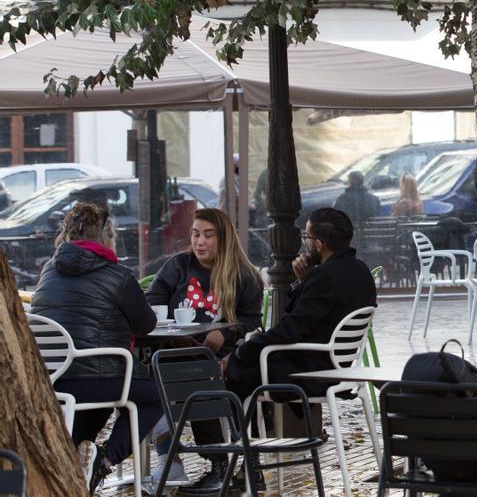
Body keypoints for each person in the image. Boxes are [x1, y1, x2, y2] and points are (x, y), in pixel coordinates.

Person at [181, 208, 377, 494]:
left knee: (226, 372)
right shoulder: (359, 271)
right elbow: (306, 318)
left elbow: (290, 329)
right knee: (241, 370)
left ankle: (240, 465)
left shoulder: (327, 277)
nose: (304, 242)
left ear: (319, 244)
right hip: (336, 364)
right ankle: (249, 462)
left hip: (313, 369)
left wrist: (239, 353)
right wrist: (305, 279)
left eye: (306, 236)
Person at [29, 203, 161, 493]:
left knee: (100, 399)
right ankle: (104, 459)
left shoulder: (49, 269)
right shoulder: (119, 275)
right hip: (100, 376)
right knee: (153, 395)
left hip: (55, 379)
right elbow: (146, 325)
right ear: (106, 237)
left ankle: (77, 466)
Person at [145, 208, 264, 482]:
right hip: (174, 350)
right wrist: (169, 332)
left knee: (198, 376)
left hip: (220, 356)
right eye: (196, 234)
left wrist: (226, 333)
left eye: (208, 236)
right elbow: (152, 302)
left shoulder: (243, 276)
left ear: (223, 239)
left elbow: (251, 320)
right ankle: (175, 458)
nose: (200, 242)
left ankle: (221, 463)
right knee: (151, 377)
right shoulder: (178, 266)